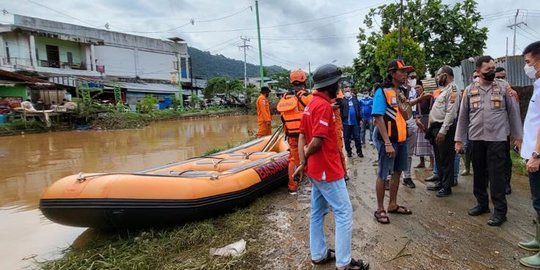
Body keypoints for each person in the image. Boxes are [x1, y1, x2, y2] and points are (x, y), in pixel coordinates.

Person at [294, 64, 369, 270]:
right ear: (332, 84)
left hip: (316, 170)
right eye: (338, 82)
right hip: (327, 169)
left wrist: (303, 162)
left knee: (317, 212)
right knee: (344, 212)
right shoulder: (323, 107)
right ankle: (343, 263)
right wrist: (305, 158)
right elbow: (316, 141)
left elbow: (301, 136)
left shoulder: (311, 104)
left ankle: (318, 255)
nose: (340, 85)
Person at [455, 56, 523, 226]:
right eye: (488, 70)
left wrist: (518, 137)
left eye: (493, 68)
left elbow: (514, 114)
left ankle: (500, 212)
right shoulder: (469, 90)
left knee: (497, 176)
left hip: (498, 139)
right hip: (476, 139)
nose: (492, 72)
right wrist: (459, 140)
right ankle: (482, 204)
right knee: (479, 175)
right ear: (478, 72)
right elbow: (463, 117)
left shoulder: (503, 88)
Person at [372, 59, 422, 224]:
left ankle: (392, 204)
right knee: (383, 173)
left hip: (401, 139)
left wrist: (418, 100)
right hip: (389, 141)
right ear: (392, 73)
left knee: (398, 172)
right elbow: (378, 117)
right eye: (402, 72)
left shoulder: (400, 91)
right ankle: (380, 209)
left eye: (407, 72)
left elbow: (406, 113)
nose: (406, 75)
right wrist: (386, 142)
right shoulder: (382, 91)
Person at [518, 41, 540, 268]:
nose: (527, 67)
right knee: (537, 200)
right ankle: (538, 239)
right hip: (533, 151)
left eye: (528, 62)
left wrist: (536, 155)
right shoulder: (538, 85)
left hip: (538, 155)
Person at [425, 66, 460, 197]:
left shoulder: (453, 89)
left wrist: (443, 131)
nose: (437, 78)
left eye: (439, 75)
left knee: (446, 159)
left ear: (445, 75)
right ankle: (440, 182)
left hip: (444, 128)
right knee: (439, 158)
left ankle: (447, 186)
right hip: (436, 127)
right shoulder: (443, 90)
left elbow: (451, 112)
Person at [276, 69, 312, 195]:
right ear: (304, 81)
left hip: (290, 134)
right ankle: (311, 184)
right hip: (306, 134)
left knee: (293, 159)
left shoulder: (285, 98)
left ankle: (292, 187)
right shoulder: (306, 97)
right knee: (310, 156)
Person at [402, 72, 419, 189]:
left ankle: (407, 176)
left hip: (412, 122)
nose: (411, 79)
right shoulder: (397, 90)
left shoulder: (415, 90)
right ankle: (389, 177)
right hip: (400, 124)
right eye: (409, 77)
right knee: (396, 153)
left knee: (408, 154)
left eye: (413, 77)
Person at [413, 81, 435, 171]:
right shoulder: (416, 99)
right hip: (419, 121)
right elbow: (415, 112)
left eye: (418, 87)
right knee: (419, 143)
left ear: (423, 87)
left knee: (429, 143)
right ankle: (422, 162)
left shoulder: (429, 97)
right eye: (415, 88)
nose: (416, 89)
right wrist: (417, 120)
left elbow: (432, 110)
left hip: (428, 120)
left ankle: (432, 163)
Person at [339, 83, 364, 158]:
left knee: (357, 137)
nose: (347, 92)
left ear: (350, 91)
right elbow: (340, 112)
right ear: (344, 92)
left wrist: (360, 120)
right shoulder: (342, 101)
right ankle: (349, 152)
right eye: (346, 91)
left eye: (348, 91)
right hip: (346, 123)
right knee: (346, 139)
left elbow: (359, 109)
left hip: (355, 123)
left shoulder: (355, 99)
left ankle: (359, 152)